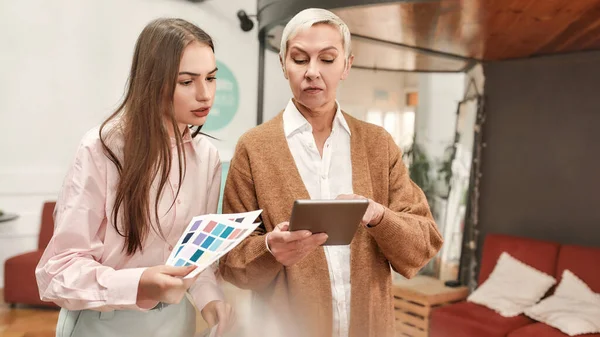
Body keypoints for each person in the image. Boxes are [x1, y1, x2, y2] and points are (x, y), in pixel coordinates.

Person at [219, 8, 444, 337]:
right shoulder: (253, 148)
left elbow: (424, 243)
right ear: (283, 64)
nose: (312, 72)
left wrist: (379, 216)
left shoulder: (377, 145)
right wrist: (269, 249)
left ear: (346, 65)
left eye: (327, 59)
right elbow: (230, 263)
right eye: (299, 59)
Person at [36, 18, 234, 337]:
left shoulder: (206, 157)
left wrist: (211, 301)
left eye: (211, 78)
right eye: (187, 81)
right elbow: (58, 273)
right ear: (152, 81)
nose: (205, 94)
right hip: (101, 324)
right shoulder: (101, 149)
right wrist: (140, 283)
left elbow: (197, 258)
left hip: (175, 323)